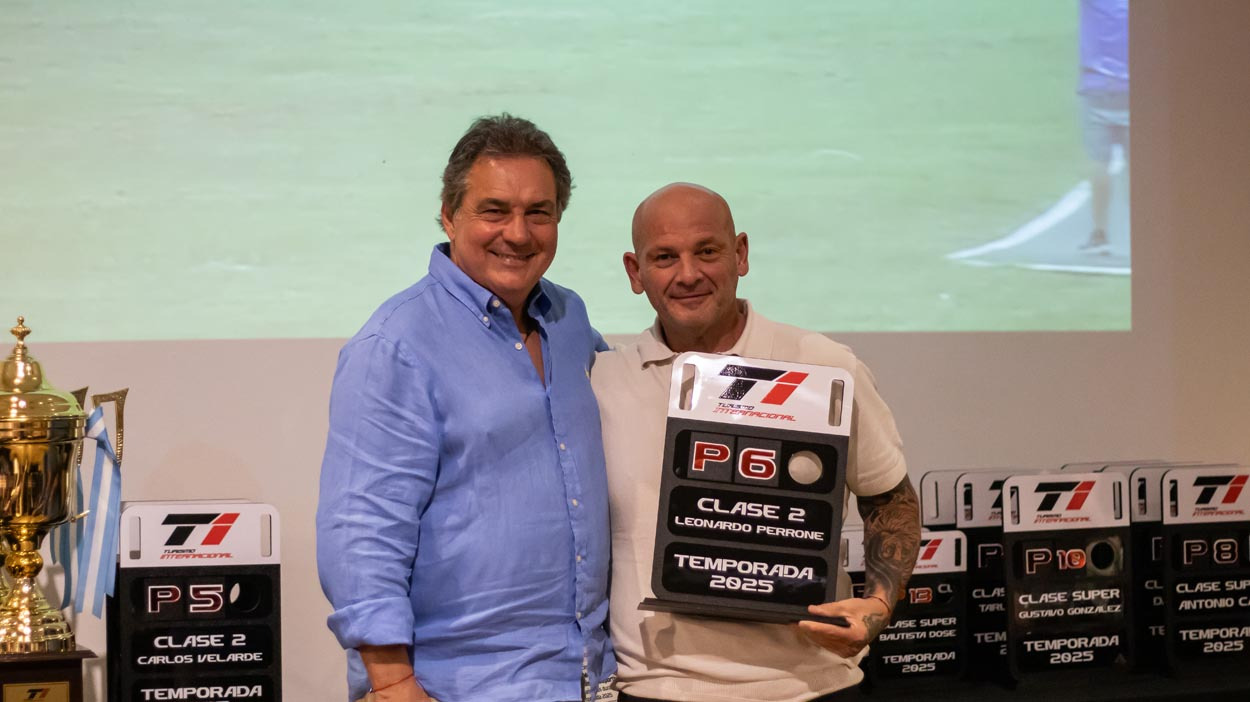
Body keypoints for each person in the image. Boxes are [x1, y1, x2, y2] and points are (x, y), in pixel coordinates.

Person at [316, 114, 614, 702]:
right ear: (449, 215)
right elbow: (362, 528)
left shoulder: (569, 320)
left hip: (586, 679)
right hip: (453, 687)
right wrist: (393, 682)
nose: (518, 233)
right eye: (494, 210)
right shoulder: (395, 346)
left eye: (539, 212)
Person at [592, 183, 920, 702]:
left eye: (707, 251)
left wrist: (877, 605)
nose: (688, 274)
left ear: (740, 253)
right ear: (636, 272)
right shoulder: (603, 381)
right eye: (664, 257)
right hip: (655, 688)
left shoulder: (823, 364)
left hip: (809, 687)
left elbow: (890, 499)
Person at [1078, 0, 1130, 253]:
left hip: (1097, 86)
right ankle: (1146, 234)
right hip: (1136, 89)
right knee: (1137, 167)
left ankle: (1099, 234)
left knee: (1099, 162)